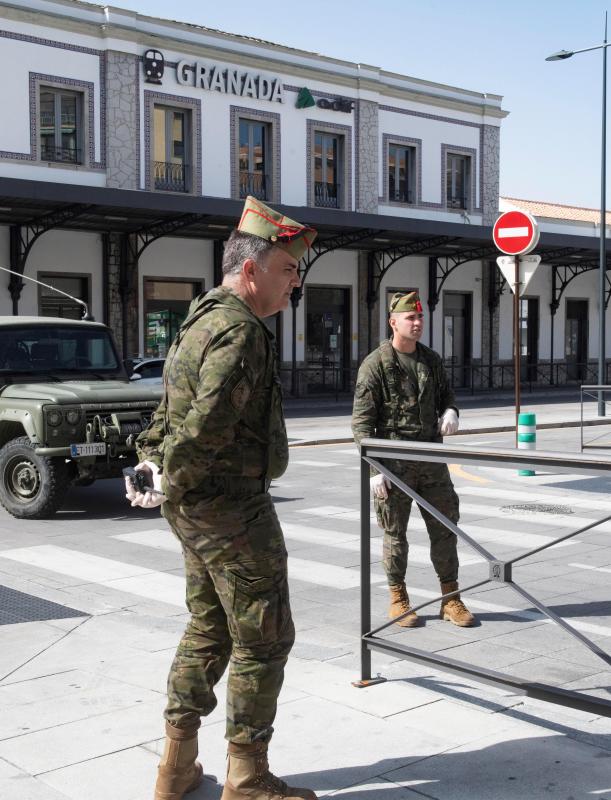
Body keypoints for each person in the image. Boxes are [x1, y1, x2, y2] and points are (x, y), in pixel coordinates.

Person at [125, 196, 318, 800]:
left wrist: (153, 467)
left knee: (209, 626)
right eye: (288, 270)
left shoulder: (201, 319)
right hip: (233, 508)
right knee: (265, 637)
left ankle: (176, 766)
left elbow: (168, 411)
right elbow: (206, 422)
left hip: (194, 509)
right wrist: (171, 474)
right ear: (252, 269)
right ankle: (247, 775)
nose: (295, 283)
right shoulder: (241, 331)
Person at [351, 290, 475, 630]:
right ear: (393, 322)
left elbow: (447, 395)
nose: (418, 322)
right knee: (395, 533)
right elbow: (361, 424)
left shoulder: (431, 360)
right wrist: (374, 468)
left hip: (431, 459)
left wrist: (451, 410)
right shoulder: (375, 364)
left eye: (420, 317)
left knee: (445, 528)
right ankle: (398, 598)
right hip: (394, 464)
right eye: (411, 318)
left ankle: (451, 598)